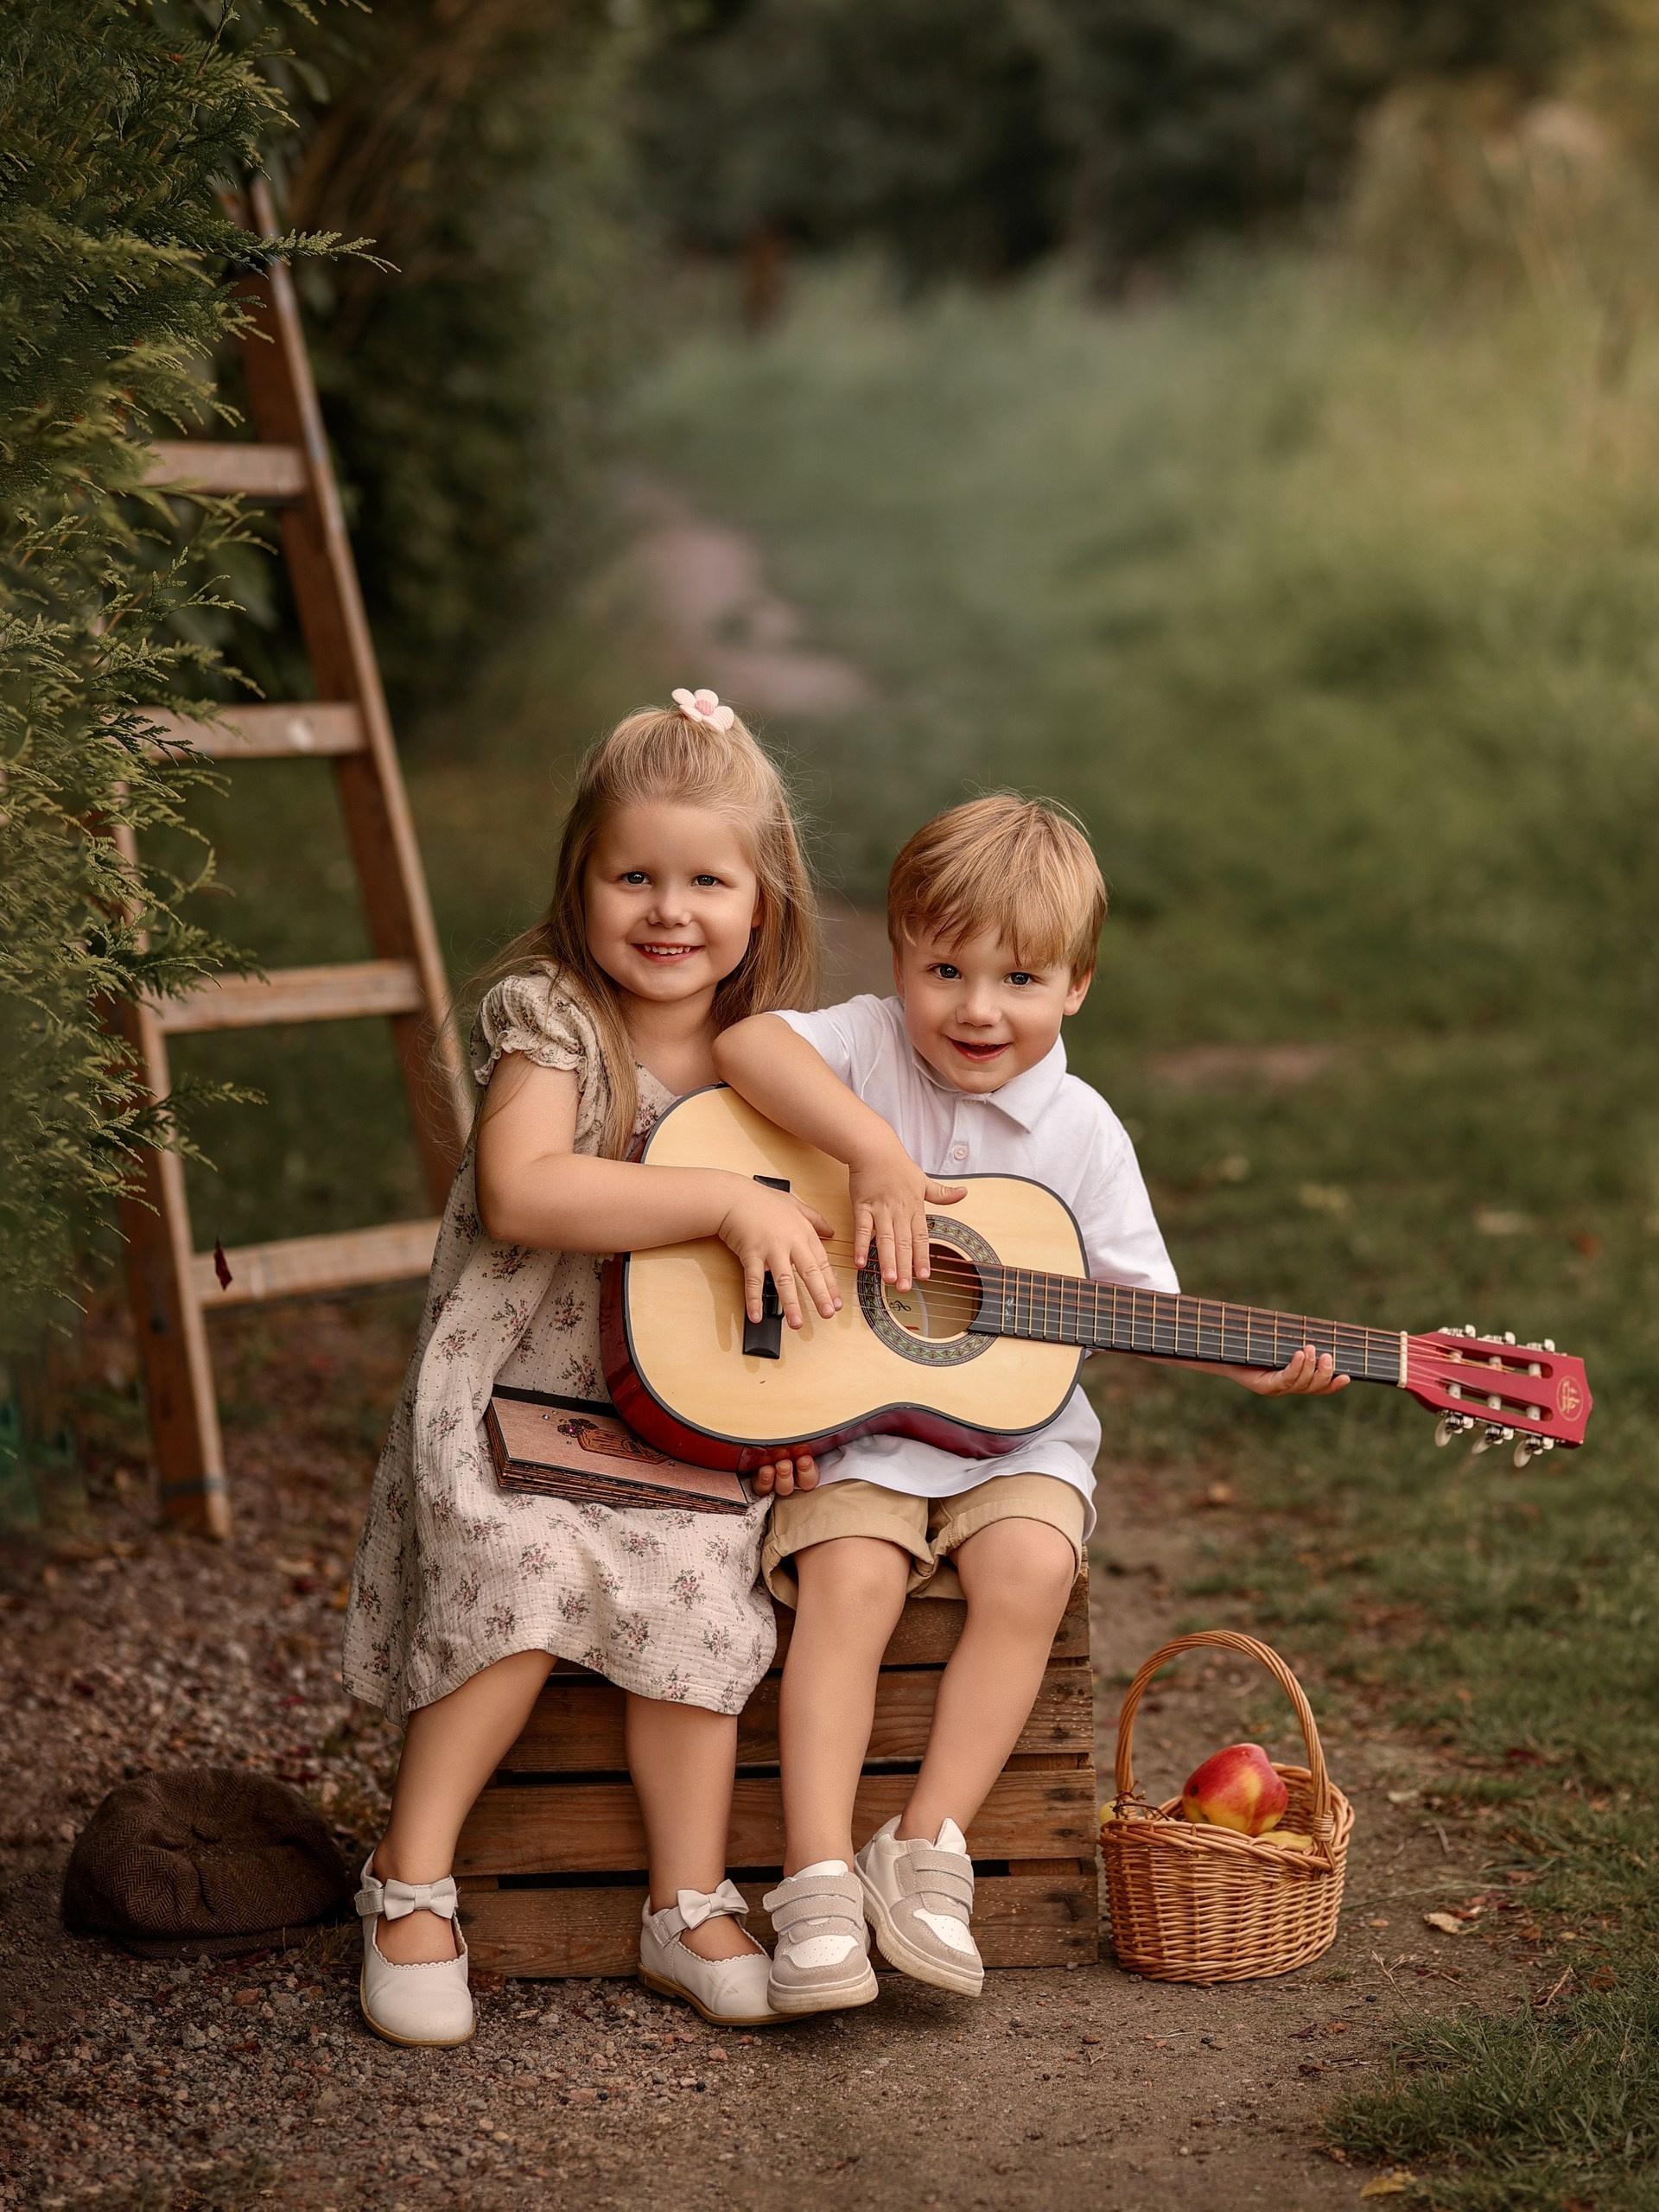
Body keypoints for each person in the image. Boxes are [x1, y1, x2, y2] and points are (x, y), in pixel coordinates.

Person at [715, 793, 1347, 2015]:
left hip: (1020, 1437)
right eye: (942, 968)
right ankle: (818, 1875)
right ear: (896, 954)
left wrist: (1252, 1360)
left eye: (1020, 977)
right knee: (852, 1584)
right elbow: (746, 1048)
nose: (976, 1007)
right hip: (851, 1422)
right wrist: (874, 1156)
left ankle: (927, 1845)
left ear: (1077, 988)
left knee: (1030, 1574)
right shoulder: (860, 1045)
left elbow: (1139, 1301)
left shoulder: (1082, 1133)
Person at [343, 690, 842, 2046]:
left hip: (678, 1421)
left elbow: (799, 1276)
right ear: (583, 883)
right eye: (635, 876)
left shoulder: (768, 1068)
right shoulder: (554, 1019)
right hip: (514, 1397)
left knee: (703, 1602)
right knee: (525, 1569)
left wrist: (786, 1416)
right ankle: (412, 1881)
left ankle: (683, 1903)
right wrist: (724, 1205)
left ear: (762, 900)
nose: (668, 911)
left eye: (705, 880)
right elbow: (522, 1191)